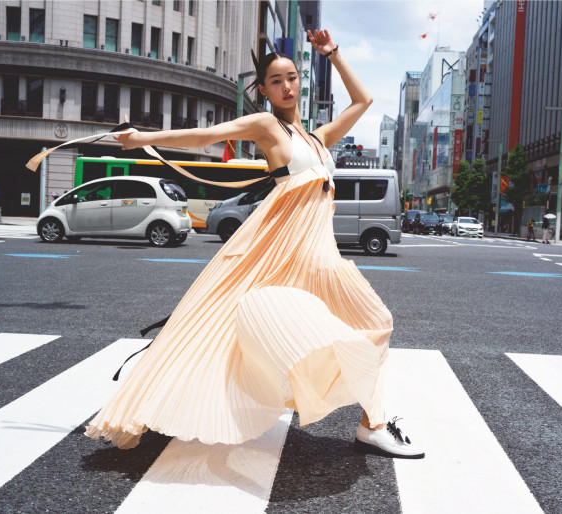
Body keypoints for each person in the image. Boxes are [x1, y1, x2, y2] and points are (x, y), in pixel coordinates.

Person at [82, 30, 424, 459]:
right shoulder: (267, 126)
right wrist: (143, 138)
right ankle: (371, 424)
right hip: (290, 250)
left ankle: (371, 423)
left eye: (292, 77)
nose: (286, 86)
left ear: (301, 82)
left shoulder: (316, 140)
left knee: (370, 323)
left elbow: (363, 102)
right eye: (276, 80)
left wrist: (333, 54)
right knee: (375, 319)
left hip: (317, 252)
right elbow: (206, 135)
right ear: (263, 89)